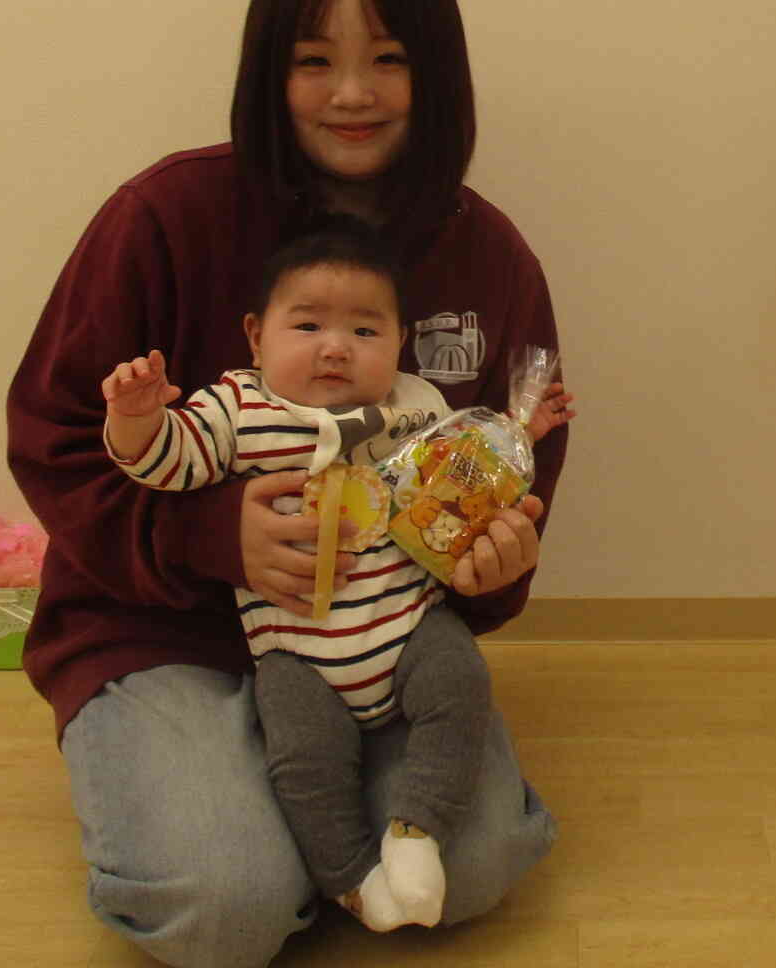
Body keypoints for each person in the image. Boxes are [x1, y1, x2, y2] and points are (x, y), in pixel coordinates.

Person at [7, 0, 571, 967]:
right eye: (314, 61)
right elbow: (54, 437)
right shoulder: (164, 216)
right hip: (161, 631)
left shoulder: (488, 257)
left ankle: (301, 826)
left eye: (388, 60)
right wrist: (203, 534)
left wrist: (492, 565)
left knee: (476, 865)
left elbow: (514, 471)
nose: (351, 94)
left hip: (378, 639)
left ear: (438, 76)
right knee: (226, 906)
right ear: (269, 73)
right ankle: (253, 828)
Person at [99, 216, 571, 933]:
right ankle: (350, 877)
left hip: (410, 628)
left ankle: (417, 830)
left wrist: (516, 433)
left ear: (400, 343)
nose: (335, 347)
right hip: (296, 653)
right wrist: (135, 420)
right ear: (256, 337)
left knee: (462, 685)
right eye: (307, 325)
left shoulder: (413, 407)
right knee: (304, 760)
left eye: (365, 330)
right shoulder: (238, 408)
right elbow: (166, 464)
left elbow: (462, 468)